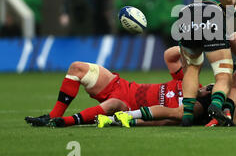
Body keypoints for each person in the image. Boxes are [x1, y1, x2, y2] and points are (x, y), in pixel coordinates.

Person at [24, 47, 205, 127]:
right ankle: (53, 116)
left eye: (209, 89)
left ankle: (66, 122)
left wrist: (127, 120)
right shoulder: (188, 81)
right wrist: (190, 46)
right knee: (76, 68)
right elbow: (169, 56)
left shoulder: (189, 109)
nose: (207, 87)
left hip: (125, 106)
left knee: (111, 105)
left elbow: (163, 120)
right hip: (121, 85)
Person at [173, 0, 234, 127]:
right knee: (223, 74)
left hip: (186, 13)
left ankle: (187, 115)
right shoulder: (228, 7)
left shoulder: (194, 4)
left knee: (192, 69)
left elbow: (184, 63)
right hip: (211, 14)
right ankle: (216, 105)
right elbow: (233, 36)